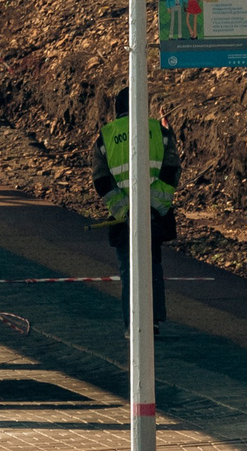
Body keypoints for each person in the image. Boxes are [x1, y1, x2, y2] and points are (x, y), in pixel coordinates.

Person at [90, 91, 180, 325]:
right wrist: (152, 208)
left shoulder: (106, 136)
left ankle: (134, 323)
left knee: (129, 270)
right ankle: (153, 319)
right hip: (154, 217)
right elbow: (171, 171)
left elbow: (102, 180)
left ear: (116, 108)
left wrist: (125, 210)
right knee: (153, 265)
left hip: (123, 220)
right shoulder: (160, 132)